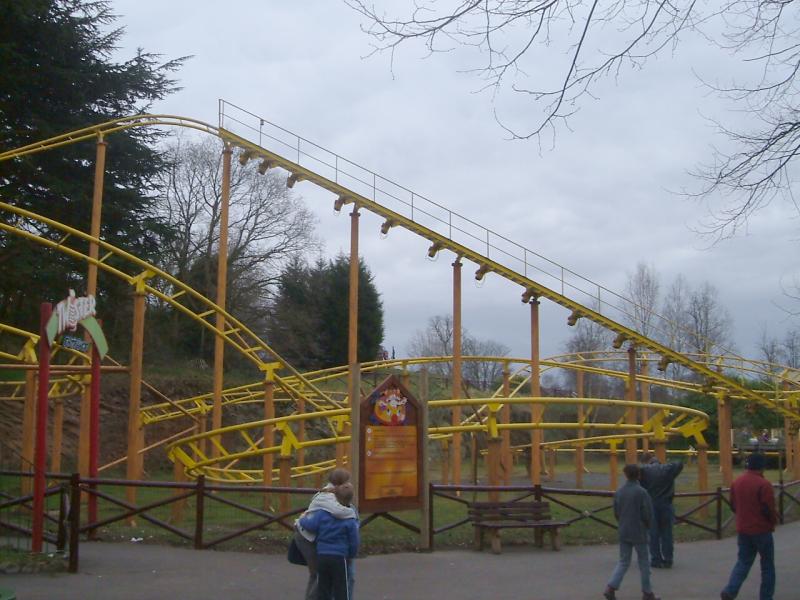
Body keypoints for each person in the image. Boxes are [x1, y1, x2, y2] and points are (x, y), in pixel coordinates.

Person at [720, 453, 778, 600]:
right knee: (767, 565)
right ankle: (766, 596)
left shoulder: (737, 482)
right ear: (762, 467)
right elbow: (768, 508)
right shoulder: (764, 484)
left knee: (743, 561)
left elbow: (733, 506)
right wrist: (773, 521)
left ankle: (730, 590)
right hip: (762, 529)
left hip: (743, 528)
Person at [294, 468, 357, 600]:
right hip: (309, 539)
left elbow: (312, 523)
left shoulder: (329, 496)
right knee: (323, 578)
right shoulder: (330, 501)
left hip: (322, 548)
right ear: (341, 484)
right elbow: (352, 536)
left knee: (323, 580)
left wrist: (303, 519)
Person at [604, 464, 660, 600]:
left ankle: (611, 586)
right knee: (644, 562)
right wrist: (648, 525)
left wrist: (622, 521)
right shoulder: (642, 492)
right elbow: (647, 513)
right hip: (639, 530)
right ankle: (647, 592)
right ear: (639, 475)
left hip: (624, 529)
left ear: (625, 475)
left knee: (623, 561)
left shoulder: (619, 492)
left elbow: (616, 512)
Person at [639, 451, 683, 568]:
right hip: (666, 503)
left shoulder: (644, 471)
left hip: (651, 503)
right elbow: (679, 463)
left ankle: (655, 559)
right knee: (667, 533)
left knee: (653, 533)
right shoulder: (667, 469)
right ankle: (668, 559)